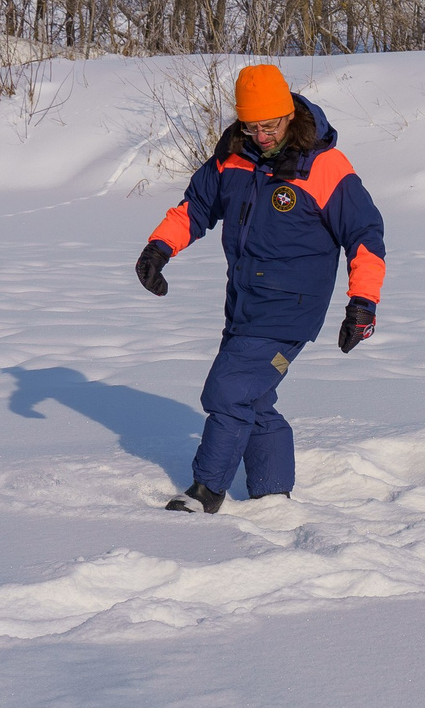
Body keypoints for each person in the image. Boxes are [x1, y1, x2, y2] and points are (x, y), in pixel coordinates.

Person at [134, 64, 386, 510]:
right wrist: (159, 248)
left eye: (269, 125)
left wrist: (362, 304)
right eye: (251, 125)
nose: (261, 135)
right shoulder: (235, 156)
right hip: (245, 302)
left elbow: (365, 236)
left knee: (228, 390)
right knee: (254, 397)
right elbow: (196, 207)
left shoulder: (324, 165)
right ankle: (272, 494)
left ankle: (206, 491)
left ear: (289, 114)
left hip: (291, 308)